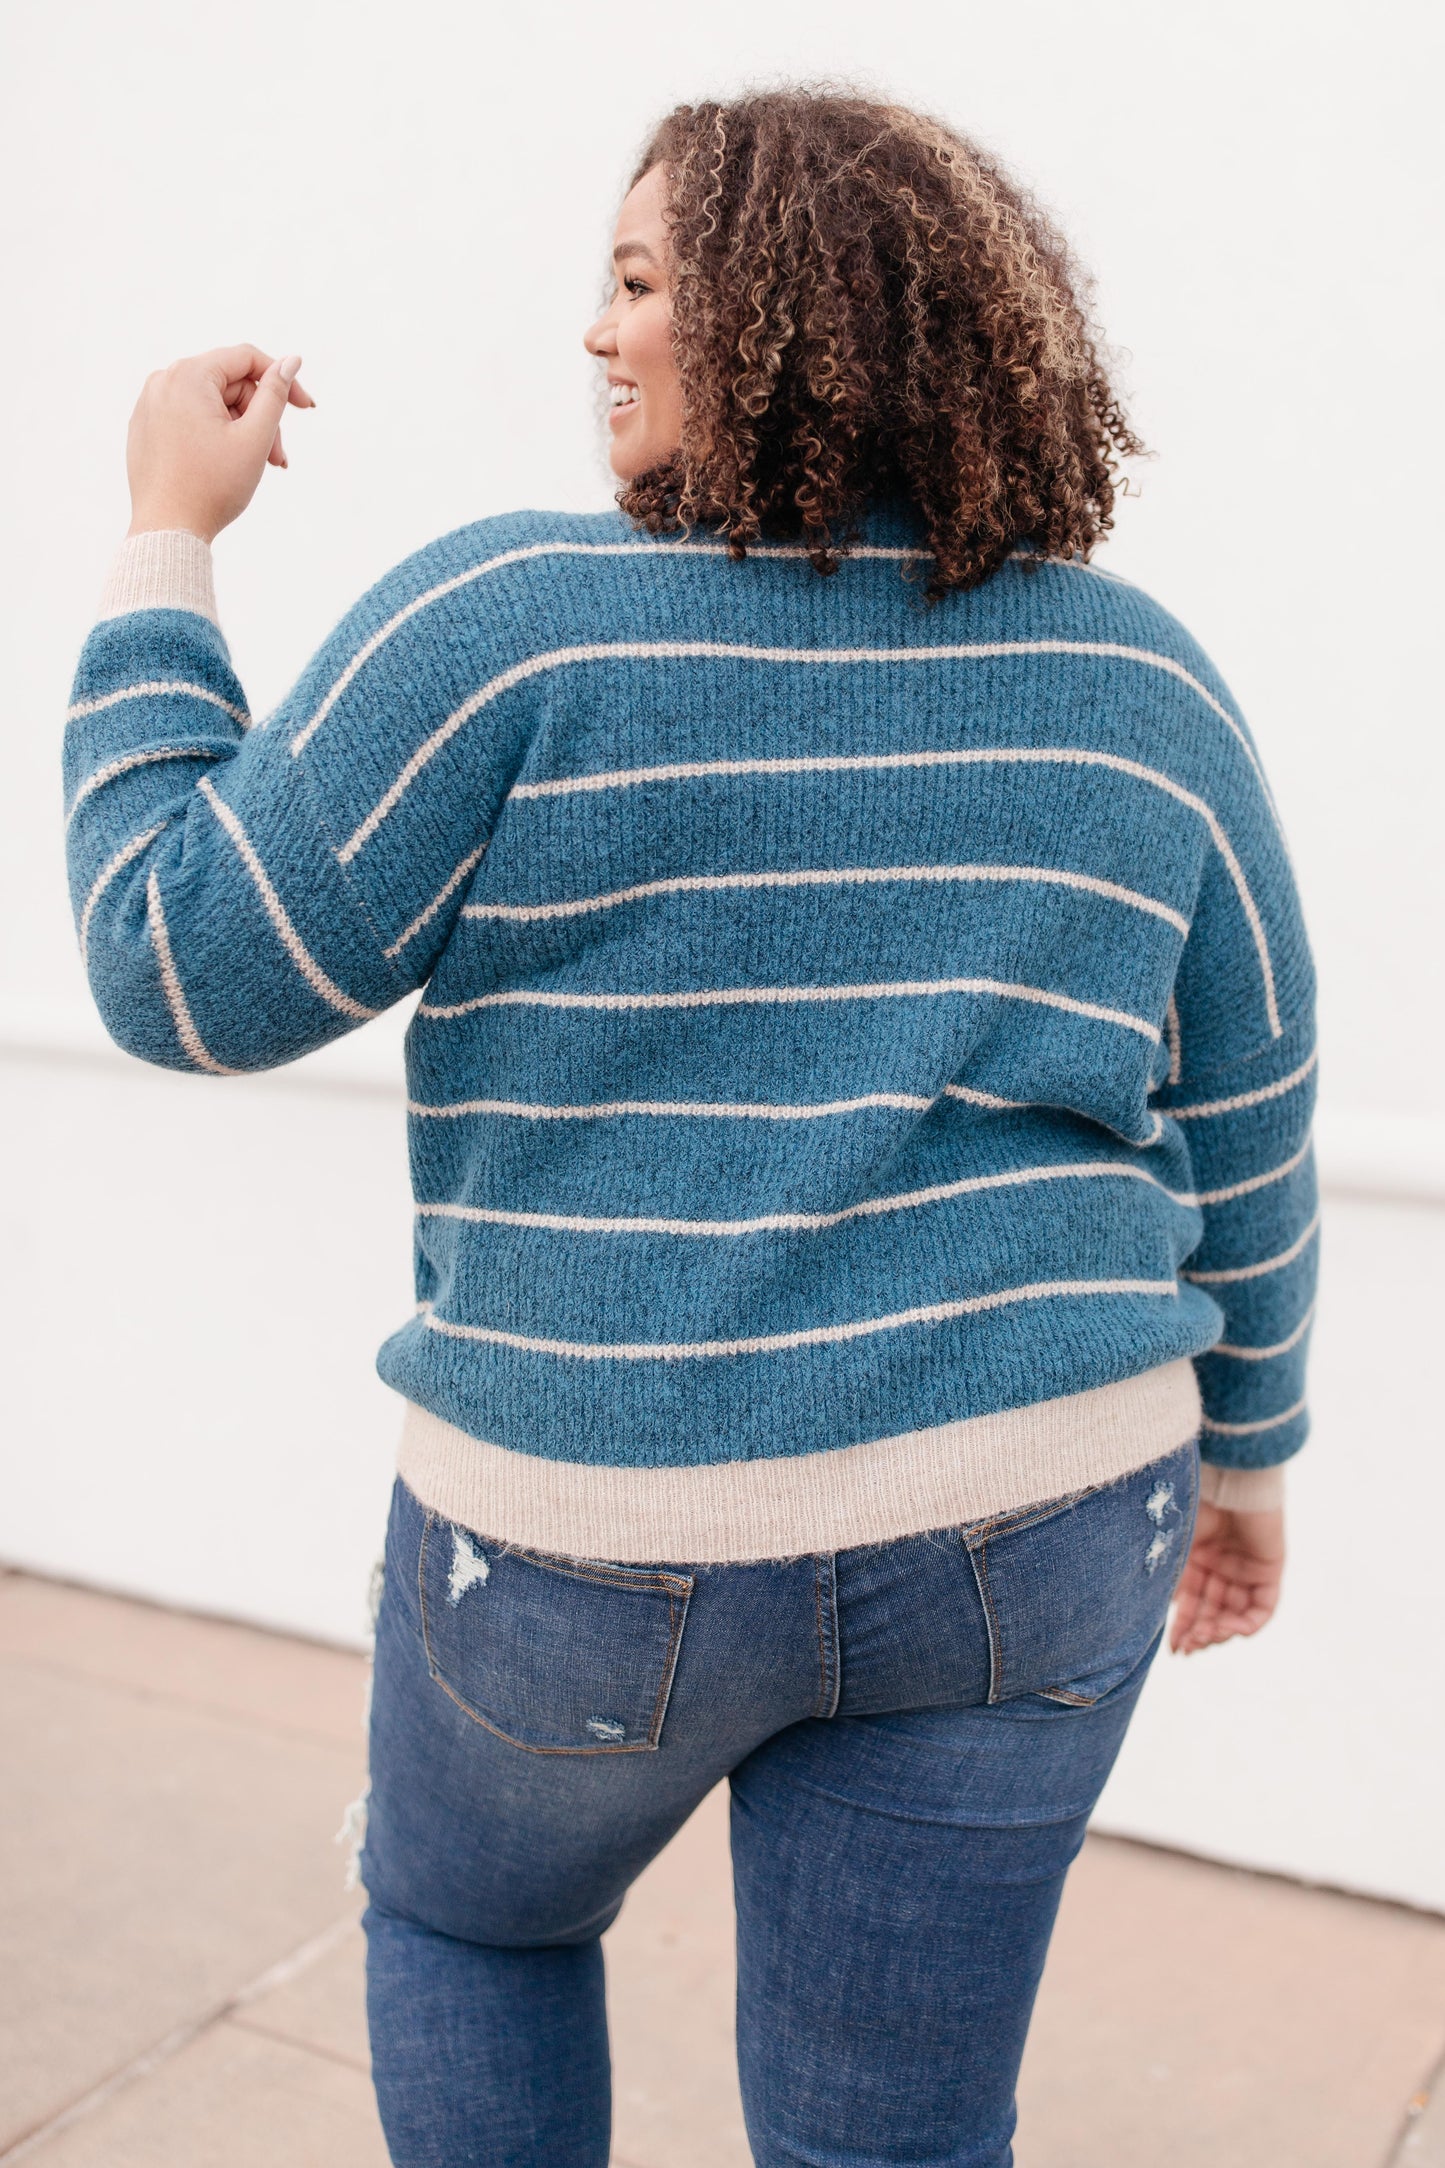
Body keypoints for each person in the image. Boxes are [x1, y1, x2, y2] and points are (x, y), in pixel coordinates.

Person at [65, 88, 1313, 2168]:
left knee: (472, 1932)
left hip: (589, 1530)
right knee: (894, 2133)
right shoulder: (1140, 680)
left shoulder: (508, 628)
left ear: (790, 317)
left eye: (640, 281)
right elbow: (1252, 1103)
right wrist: (1254, 1452)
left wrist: (161, 534)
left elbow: (176, 968)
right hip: (1044, 1511)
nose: (597, 336)